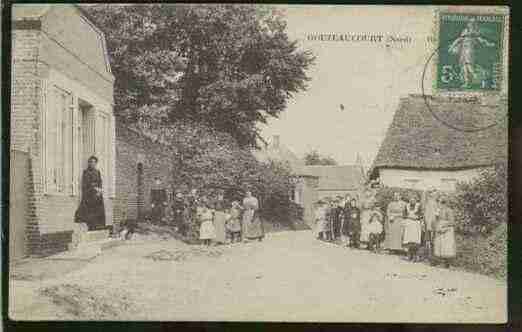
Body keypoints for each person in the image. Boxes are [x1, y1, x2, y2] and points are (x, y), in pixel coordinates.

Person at [75, 156, 106, 231]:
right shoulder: (86, 172)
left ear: (96, 163)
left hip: (97, 195)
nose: (92, 164)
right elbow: (86, 184)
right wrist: (94, 188)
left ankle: (97, 226)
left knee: (98, 211)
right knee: (89, 212)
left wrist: (100, 190)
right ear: (89, 163)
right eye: (91, 162)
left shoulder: (97, 172)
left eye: (94, 162)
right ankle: (90, 226)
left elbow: (100, 182)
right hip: (89, 195)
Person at [432, 195, 456, 268]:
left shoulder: (449, 210)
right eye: (438, 202)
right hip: (440, 230)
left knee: (446, 246)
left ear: (444, 203)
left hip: (447, 230)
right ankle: (442, 262)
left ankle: (447, 263)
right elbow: (435, 220)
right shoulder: (438, 211)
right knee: (440, 245)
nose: (438, 204)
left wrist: (443, 226)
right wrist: (436, 226)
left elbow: (452, 222)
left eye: (439, 202)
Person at [403, 195, 422, 262]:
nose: (412, 201)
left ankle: (416, 256)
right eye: (411, 200)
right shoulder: (407, 205)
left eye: (414, 200)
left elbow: (421, 214)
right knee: (408, 240)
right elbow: (404, 214)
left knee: (415, 240)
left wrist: (417, 217)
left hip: (416, 224)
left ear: (416, 200)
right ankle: (409, 255)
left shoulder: (418, 206)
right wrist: (408, 217)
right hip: (409, 223)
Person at [423, 188, 439, 259]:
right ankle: (429, 254)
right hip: (430, 222)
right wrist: (427, 223)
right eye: (433, 193)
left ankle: (432, 254)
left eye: (435, 193)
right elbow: (427, 214)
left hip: (434, 222)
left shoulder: (436, 202)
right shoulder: (429, 203)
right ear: (430, 194)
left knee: (432, 238)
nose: (435, 194)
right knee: (429, 238)